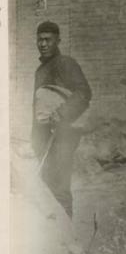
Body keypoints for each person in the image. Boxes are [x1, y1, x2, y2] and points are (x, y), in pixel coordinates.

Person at [31, 21, 92, 219]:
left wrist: (62, 113)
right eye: (40, 40)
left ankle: (68, 239)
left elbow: (84, 92)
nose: (43, 44)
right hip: (44, 138)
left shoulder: (65, 63)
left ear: (58, 40)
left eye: (48, 39)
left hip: (64, 135)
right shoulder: (40, 70)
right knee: (46, 185)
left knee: (59, 186)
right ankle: (54, 239)